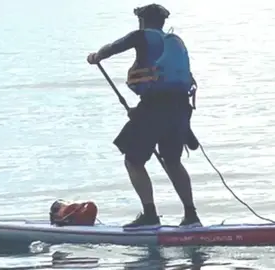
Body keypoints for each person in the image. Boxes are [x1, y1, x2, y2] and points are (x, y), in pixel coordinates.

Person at [86, 4, 202, 228]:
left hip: (154, 108)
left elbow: (113, 47)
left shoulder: (141, 36)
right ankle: (191, 216)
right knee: (172, 161)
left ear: (142, 21)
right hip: (180, 109)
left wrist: (96, 56)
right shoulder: (173, 42)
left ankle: (150, 216)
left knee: (133, 160)